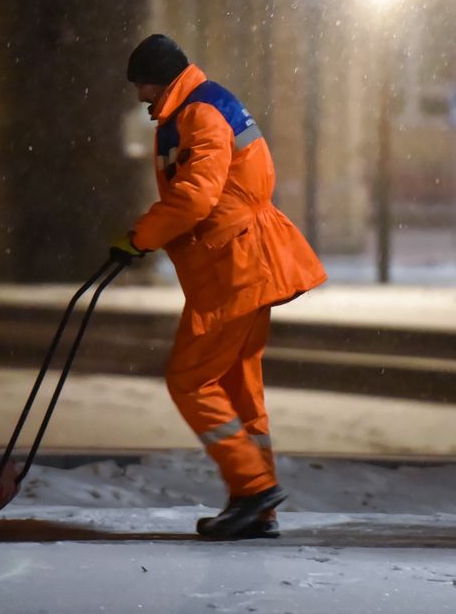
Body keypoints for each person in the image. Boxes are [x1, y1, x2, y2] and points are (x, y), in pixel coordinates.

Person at [110, 34, 327, 539]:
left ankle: (252, 489)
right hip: (244, 261)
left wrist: (140, 237)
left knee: (189, 380)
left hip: (234, 267)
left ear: (156, 79)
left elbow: (195, 198)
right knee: (237, 388)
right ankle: (257, 504)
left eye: (141, 86)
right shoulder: (205, 104)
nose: (141, 97)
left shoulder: (199, 113)